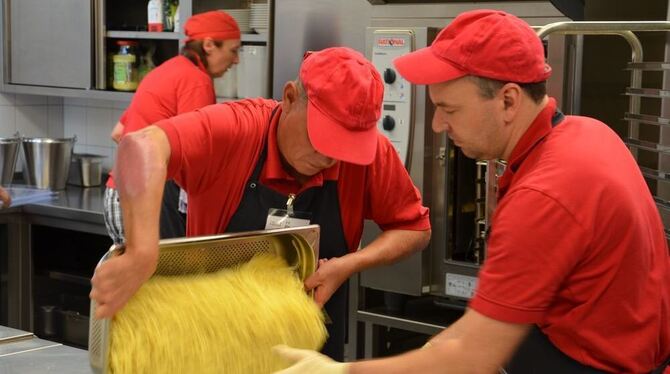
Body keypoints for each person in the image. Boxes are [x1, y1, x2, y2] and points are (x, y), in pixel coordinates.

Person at [272, 9, 670, 374]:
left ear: (509, 101)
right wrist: (434, 354)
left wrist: (339, 371)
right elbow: (486, 328)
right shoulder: (585, 132)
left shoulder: (543, 196)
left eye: (450, 109)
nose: (437, 125)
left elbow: (474, 358)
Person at [90, 46, 432, 360]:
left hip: (309, 355)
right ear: (290, 97)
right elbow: (140, 146)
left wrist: (348, 265)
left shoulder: (371, 158)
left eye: (344, 148)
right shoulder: (235, 130)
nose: (329, 159)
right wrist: (142, 252)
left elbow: (414, 228)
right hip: (213, 346)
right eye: (323, 139)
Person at [104, 10, 241, 244]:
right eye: (233, 50)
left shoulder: (167, 71)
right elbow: (197, 158)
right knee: (156, 279)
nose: (236, 60)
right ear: (209, 45)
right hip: (143, 203)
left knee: (137, 279)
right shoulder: (196, 81)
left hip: (118, 195)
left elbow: (118, 132)